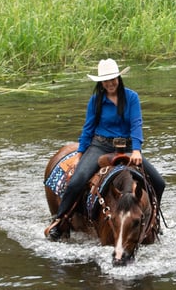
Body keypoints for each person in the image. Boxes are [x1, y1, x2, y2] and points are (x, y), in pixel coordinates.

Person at [45, 58, 166, 241]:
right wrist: (80, 154)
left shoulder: (131, 97)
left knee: (159, 183)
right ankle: (60, 221)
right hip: (100, 146)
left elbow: (136, 124)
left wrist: (136, 150)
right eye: (106, 80)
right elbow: (88, 128)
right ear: (101, 82)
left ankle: (152, 219)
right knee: (77, 181)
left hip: (125, 148)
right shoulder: (96, 101)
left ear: (119, 78)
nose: (110, 83)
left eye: (113, 79)